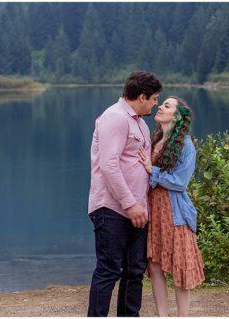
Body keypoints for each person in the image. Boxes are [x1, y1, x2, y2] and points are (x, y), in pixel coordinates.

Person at [87, 71, 162, 317]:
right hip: (112, 208)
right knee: (109, 270)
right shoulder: (115, 118)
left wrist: (140, 206)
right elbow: (109, 165)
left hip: (136, 210)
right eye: (154, 99)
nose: (155, 104)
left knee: (134, 271)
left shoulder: (138, 121)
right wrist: (130, 204)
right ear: (141, 96)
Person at [137, 97, 204, 316]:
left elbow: (180, 182)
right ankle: (162, 315)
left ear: (176, 116)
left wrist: (152, 170)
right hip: (154, 213)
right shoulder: (155, 138)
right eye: (161, 103)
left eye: (166, 105)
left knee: (180, 268)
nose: (159, 107)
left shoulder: (185, 145)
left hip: (175, 215)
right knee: (155, 266)